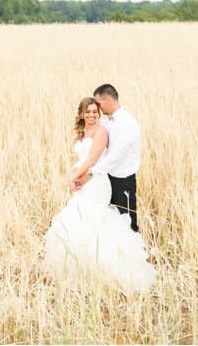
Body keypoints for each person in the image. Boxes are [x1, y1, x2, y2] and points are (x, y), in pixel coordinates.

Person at [43, 96, 155, 294]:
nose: (92, 114)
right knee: (77, 220)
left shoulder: (101, 132)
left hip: (95, 182)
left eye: (95, 111)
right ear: (82, 114)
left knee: (95, 220)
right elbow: (79, 159)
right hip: (82, 181)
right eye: (88, 111)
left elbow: (93, 160)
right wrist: (72, 175)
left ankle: (105, 272)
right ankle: (79, 270)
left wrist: (76, 176)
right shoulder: (83, 132)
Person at [76, 83, 141, 233]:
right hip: (106, 178)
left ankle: (132, 255)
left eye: (98, 104)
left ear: (107, 100)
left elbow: (115, 157)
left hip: (123, 181)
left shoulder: (127, 123)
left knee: (128, 223)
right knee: (109, 222)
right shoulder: (107, 122)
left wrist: (90, 173)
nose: (97, 108)